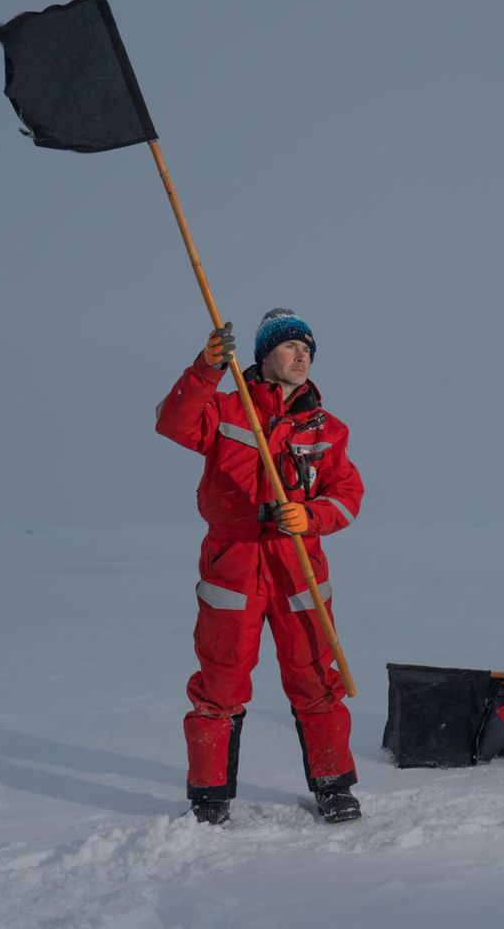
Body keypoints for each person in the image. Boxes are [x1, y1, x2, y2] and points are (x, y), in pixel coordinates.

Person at [155, 308, 364, 825]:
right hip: (235, 563)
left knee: (316, 677)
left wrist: (309, 514)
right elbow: (172, 423)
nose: (301, 356)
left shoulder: (327, 427)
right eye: (290, 346)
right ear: (264, 355)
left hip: (298, 565)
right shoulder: (225, 409)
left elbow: (347, 494)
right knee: (220, 682)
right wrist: (205, 367)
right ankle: (209, 799)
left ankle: (334, 787)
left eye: (308, 349)